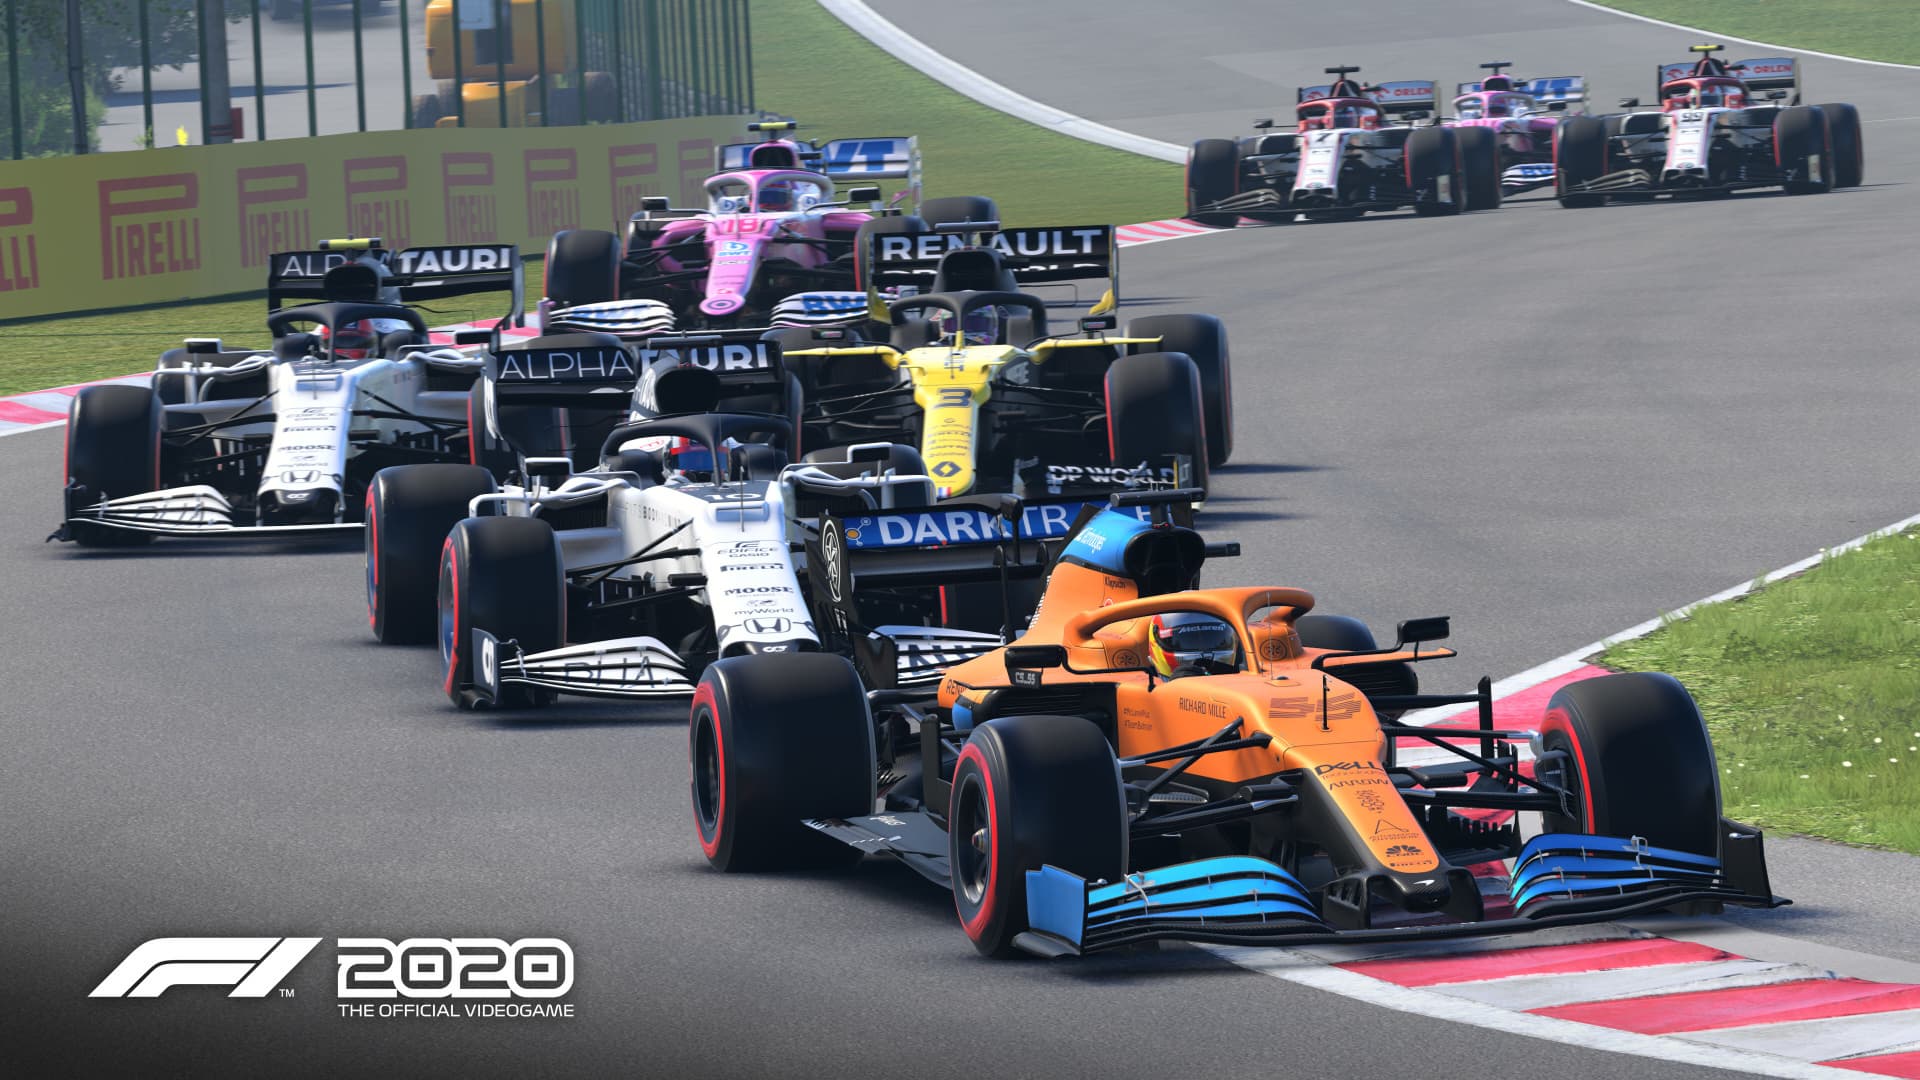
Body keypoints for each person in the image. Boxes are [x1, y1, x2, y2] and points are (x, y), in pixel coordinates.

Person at [1147, 611, 1241, 679]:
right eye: (1189, 640)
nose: (1204, 658)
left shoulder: (1242, 680)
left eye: (1211, 639)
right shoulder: (1143, 689)